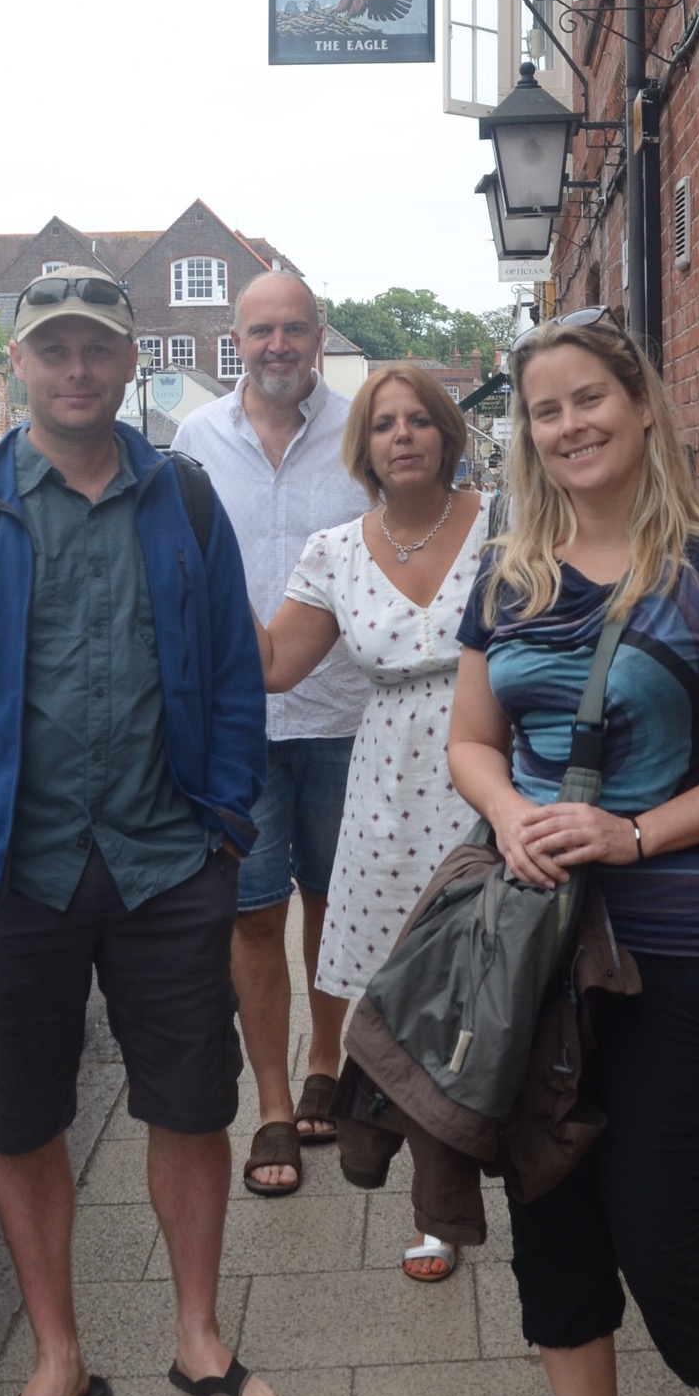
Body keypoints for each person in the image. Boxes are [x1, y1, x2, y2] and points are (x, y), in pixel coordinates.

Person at [0, 263, 286, 1396]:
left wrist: (225, 827)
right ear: (17, 362)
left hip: (168, 862)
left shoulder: (184, 501)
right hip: (10, 871)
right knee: (22, 1119)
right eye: (53, 348)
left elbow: (233, 673)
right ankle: (58, 1360)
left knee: (190, 1106)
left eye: (97, 347)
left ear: (131, 358)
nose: (76, 369)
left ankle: (198, 1334)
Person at [447, 309, 699, 1396]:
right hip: (535, 949)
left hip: (679, 952)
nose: (569, 425)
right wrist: (511, 814)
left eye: (589, 399)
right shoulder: (507, 577)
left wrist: (634, 834)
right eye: (545, 411)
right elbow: (471, 741)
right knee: (552, 1231)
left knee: (671, 1249)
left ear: (643, 406)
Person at [255, 366, 492, 1282]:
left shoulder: (506, 525)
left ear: (446, 434)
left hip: (495, 771)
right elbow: (275, 663)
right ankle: (439, 1209)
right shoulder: (335, 551)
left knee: (503, 980)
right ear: (364, 447)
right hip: (391, 791)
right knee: (411, 997)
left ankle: (534, 1160)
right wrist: (199, 574)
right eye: (385, 423)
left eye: (419, 419)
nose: (403, 435)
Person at [173, 270, 369, 1195]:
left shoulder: (362, 432)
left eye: (294, 328)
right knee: (253, 913)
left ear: (318, 334)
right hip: (237, 719)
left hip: (346, 711)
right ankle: (274, 1102)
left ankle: (327, 1055)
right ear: (236, 340)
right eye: (261, 331)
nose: (278, 345)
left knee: (333, 898)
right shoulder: (195, 441)